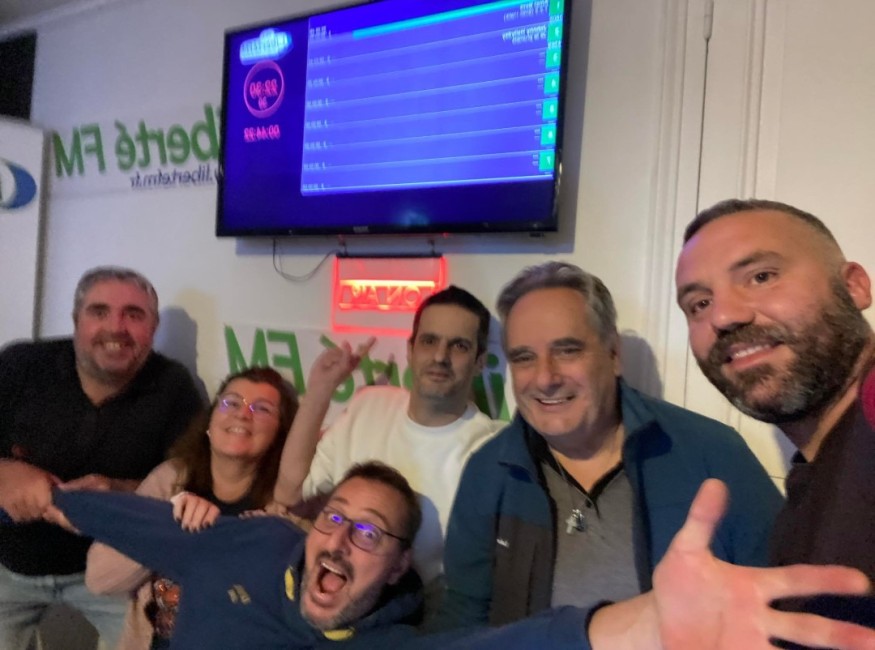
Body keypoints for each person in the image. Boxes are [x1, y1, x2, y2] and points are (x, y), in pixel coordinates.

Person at [48, 465, 875, 650]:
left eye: (370, 534)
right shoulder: (252, 541)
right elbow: (98, 511)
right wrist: (33, 489)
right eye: (335, 519)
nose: (342, 539)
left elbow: (529, 643)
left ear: (398, 567)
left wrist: (654, 622)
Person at [438, 261, 783, 630]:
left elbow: (782, 600)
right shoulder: (488, 472)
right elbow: (461, 626)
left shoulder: (713, 454)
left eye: (567, 350)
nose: (545, 378)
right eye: (524, 358)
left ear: (614, 355)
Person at [675, 198, 875, 635]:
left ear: (854, 287)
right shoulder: (806, 492)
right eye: (699, 304)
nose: (724, 316)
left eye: (761, 277)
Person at [0, 265, 204, 649]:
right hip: (8, 565)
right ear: (76, 320)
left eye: (134, 315)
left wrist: (121, 492)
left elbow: (192, 484)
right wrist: (4, 471)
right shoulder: (21, 364)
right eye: (99, 311)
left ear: (153, 327)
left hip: (114, 575)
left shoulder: (173, 386)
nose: (116, 328)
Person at [273, 285, 502, 610]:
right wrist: (321, 389)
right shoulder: (369, 405)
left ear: (479, 361)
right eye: (429, 341)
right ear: (410, 349)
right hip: (335, 603)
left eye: (459, 346)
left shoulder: (492, 448)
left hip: (419, 623)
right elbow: (290, 494)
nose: (440, 356)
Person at [83, 366, 298, 649]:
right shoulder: (170, 479)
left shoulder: (287, 506)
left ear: (280, 433)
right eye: (231, 402)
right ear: (210, 421)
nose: (242, 414)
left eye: (262, 409)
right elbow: (99, 579)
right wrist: (171, 526)